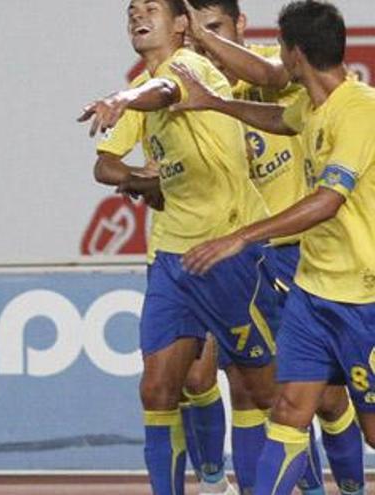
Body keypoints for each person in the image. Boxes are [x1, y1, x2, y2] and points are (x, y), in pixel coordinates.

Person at [173, 1, 375, 493]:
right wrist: (215, 103)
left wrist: (242, 234)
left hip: (362, 296)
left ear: (296, 54)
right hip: (312, 290)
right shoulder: (312, 106)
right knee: (287, 410)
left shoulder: (362, 110)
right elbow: (278, 119)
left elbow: (328, 201)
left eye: (283, 47)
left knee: (368, 425)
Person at [80, 1, 281, 493]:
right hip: (172, 257)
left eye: (151, 8)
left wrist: (126, 100)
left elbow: (164, 90)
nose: (136, 15)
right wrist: (138, 179)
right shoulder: (138, 89)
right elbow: (106, 162)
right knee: (157, 389)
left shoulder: (190, 66)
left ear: (180, 25)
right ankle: (202, 484)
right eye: (131, 10)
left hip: (229, 250)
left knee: (263, 392)